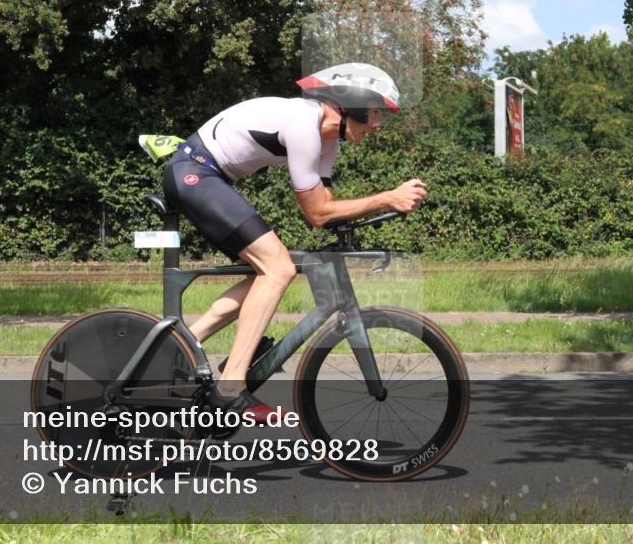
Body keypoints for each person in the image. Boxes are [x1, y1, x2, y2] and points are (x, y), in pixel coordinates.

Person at [145, 63, 426, 423]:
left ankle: (177, 348)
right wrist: (388, 198)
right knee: (278, 267)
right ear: (351, 105)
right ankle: (230, 388)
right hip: (195, 173)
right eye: (373, 113)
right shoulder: (303, 124)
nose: (377, 124)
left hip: (207, 178)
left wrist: (369, 215)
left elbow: (327, 209)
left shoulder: (326, 143)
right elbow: (319, 212)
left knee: (267, 271)